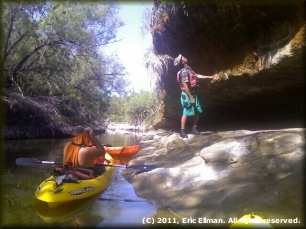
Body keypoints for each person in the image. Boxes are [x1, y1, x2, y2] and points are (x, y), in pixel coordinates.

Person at [174, 54, 217, 138]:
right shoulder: (183, 71)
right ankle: (182, 131)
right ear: (182, 62)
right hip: (187, 94)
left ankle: (194, 128)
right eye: (183, 57)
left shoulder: (188, 69)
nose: (185, 57)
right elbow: (185, 85)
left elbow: (196, 75)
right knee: (186, 112)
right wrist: (190, 97)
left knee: (197, 111)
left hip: (193, 93)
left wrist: (209, 77)